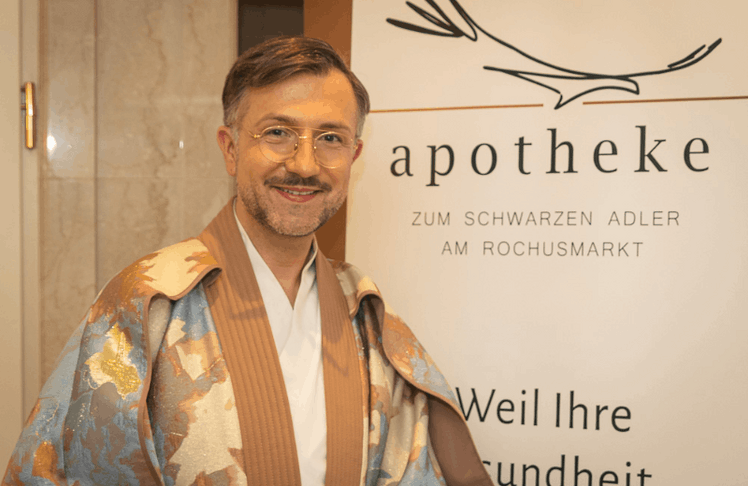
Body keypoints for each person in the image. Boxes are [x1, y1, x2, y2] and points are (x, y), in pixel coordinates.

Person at [3, 36, 491, 486]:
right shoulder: (144, 302)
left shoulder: (365, 315)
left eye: (330, 138)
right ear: (231, 148)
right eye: (277, 133)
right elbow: (69, 468)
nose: (304, 164)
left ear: (353, 154)